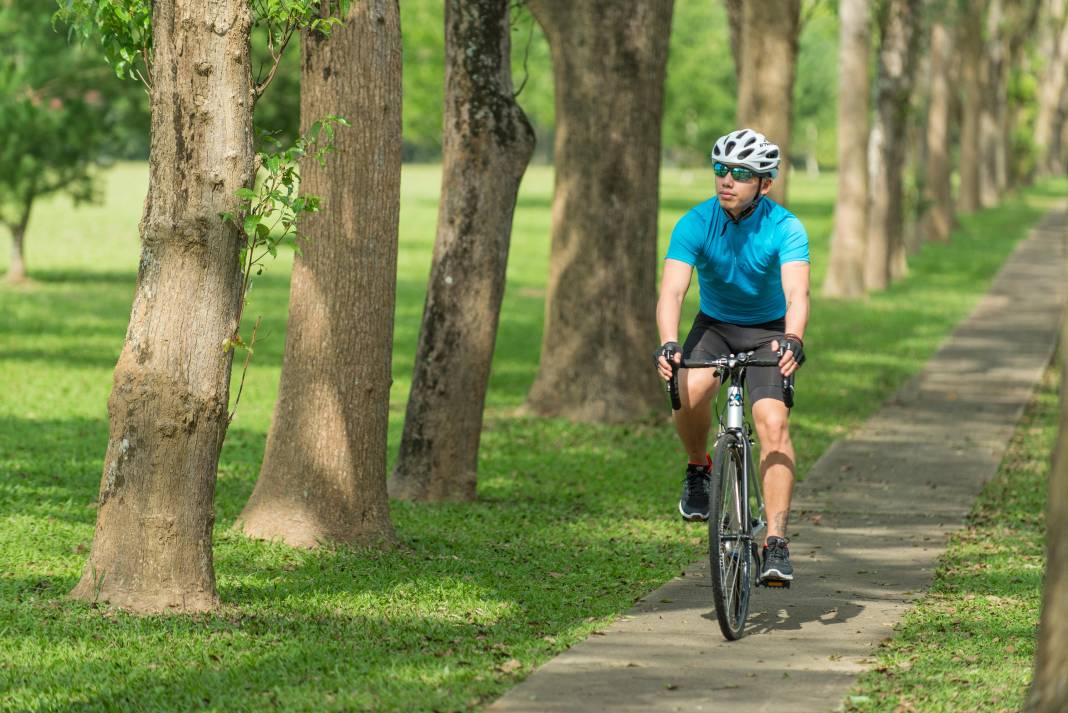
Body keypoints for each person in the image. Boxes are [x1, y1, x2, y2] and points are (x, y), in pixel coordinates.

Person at [653, 128, 810, 584]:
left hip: (769, 331)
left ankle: (776, 541)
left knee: (773, 423)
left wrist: (793, 339)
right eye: (720, 169)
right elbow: (672, 290)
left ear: (765, 183)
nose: (726, 180)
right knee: (689, 388)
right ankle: (698, 466)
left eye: (741, 174)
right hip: (716, 325)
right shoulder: (696, 223)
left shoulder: (785, 227)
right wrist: (668, 341)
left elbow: (797, 293)